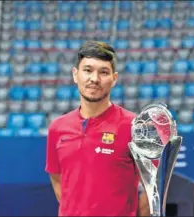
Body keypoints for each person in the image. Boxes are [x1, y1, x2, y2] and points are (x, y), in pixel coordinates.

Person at [45, 41, 140, 216]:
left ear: (114, 79)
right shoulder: (57, 128)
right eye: (87, 70)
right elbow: (59, 184)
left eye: (103, 72)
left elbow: (151, 186)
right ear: (75, 74)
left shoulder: (134, 126)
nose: (94, 79)